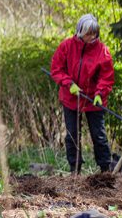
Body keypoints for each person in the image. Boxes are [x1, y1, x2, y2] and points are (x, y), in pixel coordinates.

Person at [49, 14, 116, 174]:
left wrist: (100, 94)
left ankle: (105, 170)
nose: (91, 37)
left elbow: (106, 77)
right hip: (71, 99)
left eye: (94, 33)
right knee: (72, 135)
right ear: (80, 31)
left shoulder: (103, 52)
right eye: (88, 33)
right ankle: (75, 170)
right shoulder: (66, 46)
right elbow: (56, 69)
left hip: (93, 100)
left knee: (98, 136)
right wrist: (69, 84)